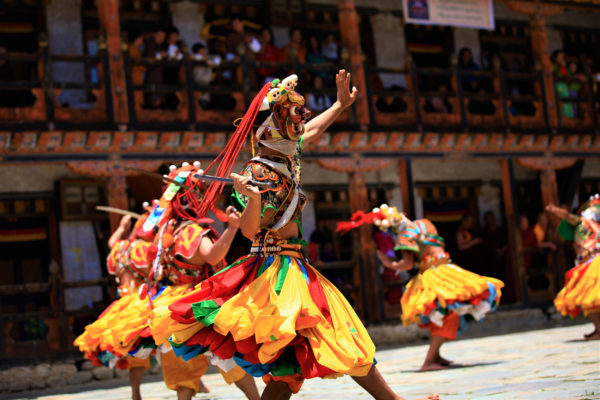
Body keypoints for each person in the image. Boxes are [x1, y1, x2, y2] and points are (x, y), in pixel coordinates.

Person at [161, 71, 439, 400]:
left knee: (301, 353)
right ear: (272, 125)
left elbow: (314, 129)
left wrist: (339, 105)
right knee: (326, 333)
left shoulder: (288, 158)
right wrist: (251, 198)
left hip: (294, 264)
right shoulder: (258, 169)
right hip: (273, 268)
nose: (300, 120)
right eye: (292, 114)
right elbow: (251, 230)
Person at [102, 163, 260, 400]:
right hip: (196, 300)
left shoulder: (168, 231)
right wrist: (232, 228)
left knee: (182, 364)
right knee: (227, 356)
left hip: (169, 302)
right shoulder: (190, 231)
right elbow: (212, 256)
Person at [377, 218, 504, 371]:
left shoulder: (405, 235)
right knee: (445, 312)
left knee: (444, 312)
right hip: (443, 268)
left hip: (435, 274)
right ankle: (430, 360)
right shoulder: (425, 224)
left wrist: (389, 263)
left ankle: (433, 358)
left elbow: (408, 264)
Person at [74, 211, 156, 400]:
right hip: (139, 302)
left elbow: (111, 243)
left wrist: (121, 228)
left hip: (122, 303)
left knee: (136, 351)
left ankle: (136, 393)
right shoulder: (144, 248)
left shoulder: (120, 248)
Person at [546, 196, 600, 340]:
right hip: (594, 263)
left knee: (588, 300)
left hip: (593, 265)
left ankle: (599, 331)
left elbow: (568, 216)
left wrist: (554, 210)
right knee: (593, 299)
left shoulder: (583, 223)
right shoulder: (595, 227)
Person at [143, 28, 167, 108]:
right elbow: (150, 58)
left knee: (159, 93)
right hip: (153, 74)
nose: (161, 38)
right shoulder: (150, 45)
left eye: (163, 37)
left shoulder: (159, 46)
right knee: (154, 96)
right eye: (159, 36)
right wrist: (160, 55)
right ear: (155, 35)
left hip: (159, 74)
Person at [191, 42, 220, 108]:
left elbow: (217, 60)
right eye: (201, 51)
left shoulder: (210, 58)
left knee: (206, 101)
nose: (203, 53)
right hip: (197, 84)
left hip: (207, 84)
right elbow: (195, 57)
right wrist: (206, 60)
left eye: (204, 51)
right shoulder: (194, 57)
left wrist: (209, 60)